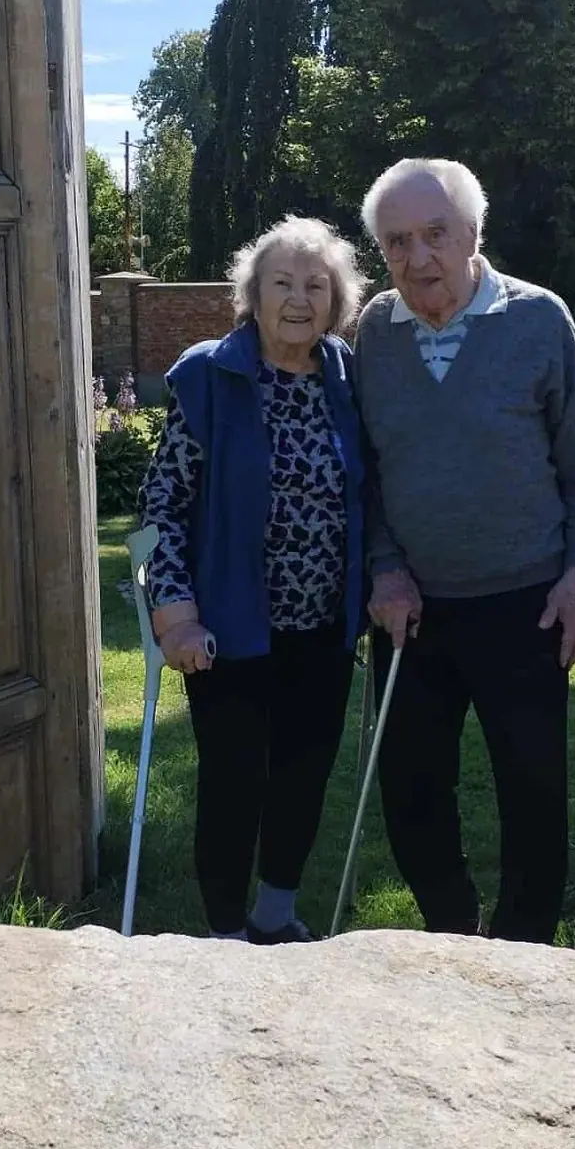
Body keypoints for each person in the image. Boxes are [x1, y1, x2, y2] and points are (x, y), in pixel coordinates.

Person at [353, 156, 575, 945]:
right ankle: (453, 931)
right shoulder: (373, 332)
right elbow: (366, 473)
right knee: (409, 790)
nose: (418, 257)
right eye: (398, 241)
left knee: (532, 790)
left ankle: (524, 950)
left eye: (435, 234)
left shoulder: (538, 321)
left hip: (526, 601)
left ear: (473, 233)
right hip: (412, 609)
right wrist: (385, 567)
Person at [137, 216, 367, 944]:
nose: (298, 299)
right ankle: (225, 935)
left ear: (336, 300)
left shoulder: (346, 377)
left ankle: (274, 914)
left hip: (323, 625)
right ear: (253, 295)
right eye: (282, 283)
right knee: (235, 780)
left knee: (305, 771)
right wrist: (174, 613)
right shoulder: (209, 375)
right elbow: (162, 504)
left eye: (315, 285)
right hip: (228, 627)